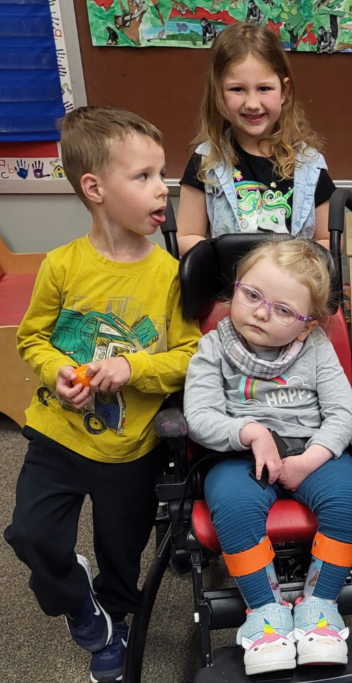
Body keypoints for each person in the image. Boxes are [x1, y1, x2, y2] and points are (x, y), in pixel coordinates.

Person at [4, 106, 201, 683]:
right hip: (55, 435)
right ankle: (80, 602)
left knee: (123, 555)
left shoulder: (171, 274)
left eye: (160, 174)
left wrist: (131, 367)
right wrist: (56, 372)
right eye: (142, 177)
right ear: (94, 188)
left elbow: (188, 357)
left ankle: (111, 619)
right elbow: (33, 339)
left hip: (130, 450)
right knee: (31, 536)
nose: (161, 188)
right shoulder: (61, 265)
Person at [183, 240, 352, 676]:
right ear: (236, 291)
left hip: (311, 447)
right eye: (252, 296)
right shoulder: (213, 348)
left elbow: (343, 412)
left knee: (348, 500)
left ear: (307, 326)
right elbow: (200, 416)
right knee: (234, 506)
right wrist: (249, 431)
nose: (262, 312)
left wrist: (313, 457)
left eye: (284, 310)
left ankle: (318, 608)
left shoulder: (316, 347)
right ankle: (265, 613)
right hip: (237, 453)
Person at [175, 22, 336, 254]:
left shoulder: (308, 164)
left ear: (284, 91)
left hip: (292, 288)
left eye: (264, 89)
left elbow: (329, 240)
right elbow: (186, 236)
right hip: (231, 288)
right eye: (237, 89)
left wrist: (291, 264)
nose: (252, 104)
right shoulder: (206, 162)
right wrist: (227, 258)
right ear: (218, 93)